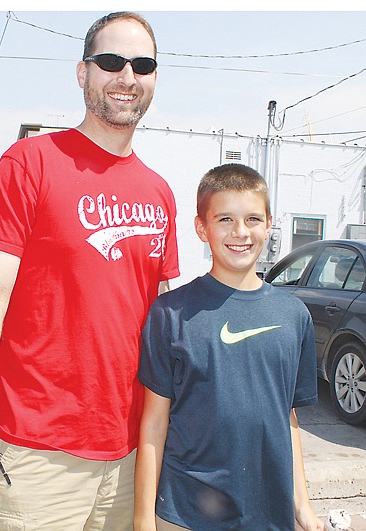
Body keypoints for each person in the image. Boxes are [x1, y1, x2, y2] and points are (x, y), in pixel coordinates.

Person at [0, 11, 179, 531]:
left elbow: (162, 318)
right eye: (111, 61)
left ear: (155, 77)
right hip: (36, 453)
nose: (127, 76)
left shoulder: (159, 192)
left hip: (130, 456)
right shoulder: (30, 163)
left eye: (142, 65)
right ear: (82, 73)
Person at [135, 163, 324, 531]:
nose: (240, 232)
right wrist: (144, 520)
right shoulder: (171, 313)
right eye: (225, 220)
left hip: (269, 512)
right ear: (201, 227)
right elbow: (154, 424)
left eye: (253, 219)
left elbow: (289, 419)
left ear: (269, 225)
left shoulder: (294, 315)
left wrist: (303, 506)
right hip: (185, 512)